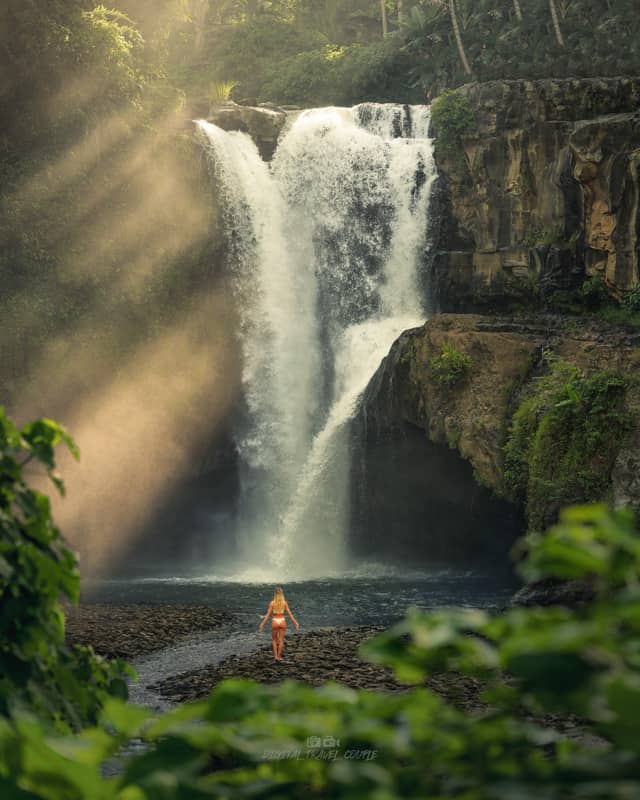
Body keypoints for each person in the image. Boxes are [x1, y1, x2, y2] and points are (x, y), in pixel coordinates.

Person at [259, 586, 299, 661]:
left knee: (274, 640)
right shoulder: (284, 603)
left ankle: (275, 657)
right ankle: (279, 657)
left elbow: (267, 615)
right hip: (282, 621)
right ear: (282, 594)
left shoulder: (272, 603)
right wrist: (295, 623)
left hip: (275, 621)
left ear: (275, 594)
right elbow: (290, 614)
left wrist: (262, 624)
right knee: (281, 640)